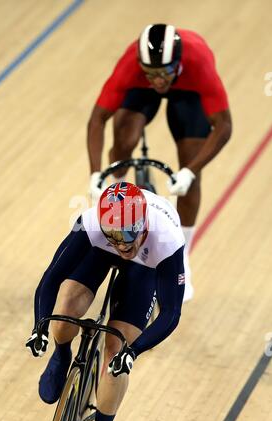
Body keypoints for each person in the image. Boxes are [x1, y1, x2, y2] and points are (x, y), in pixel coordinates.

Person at [26, 182, 185, 421]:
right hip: (100, 252)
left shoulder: (167, 240)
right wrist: (40, 325)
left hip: (146, 264)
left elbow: (171, 313)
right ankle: (62, 353)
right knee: (65, 308)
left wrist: (133, 352)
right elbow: (51, 278)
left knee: (115, 354)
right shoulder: (91, 223)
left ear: (143, 227)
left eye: (125, 237)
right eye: (112, 234)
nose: (120, 245)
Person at [88, 24, 232, 302]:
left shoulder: (198, 61)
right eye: (151, 73)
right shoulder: (132, 64)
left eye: (163, 73)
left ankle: (183, 258)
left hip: (188, 92)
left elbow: (224, 125)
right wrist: (96, 174)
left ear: (177, 62)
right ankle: (116, 197)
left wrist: (190, 172)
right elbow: (97, 119)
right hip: (138, 91)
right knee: (123, 140)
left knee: (191, 165)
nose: (158, 81)